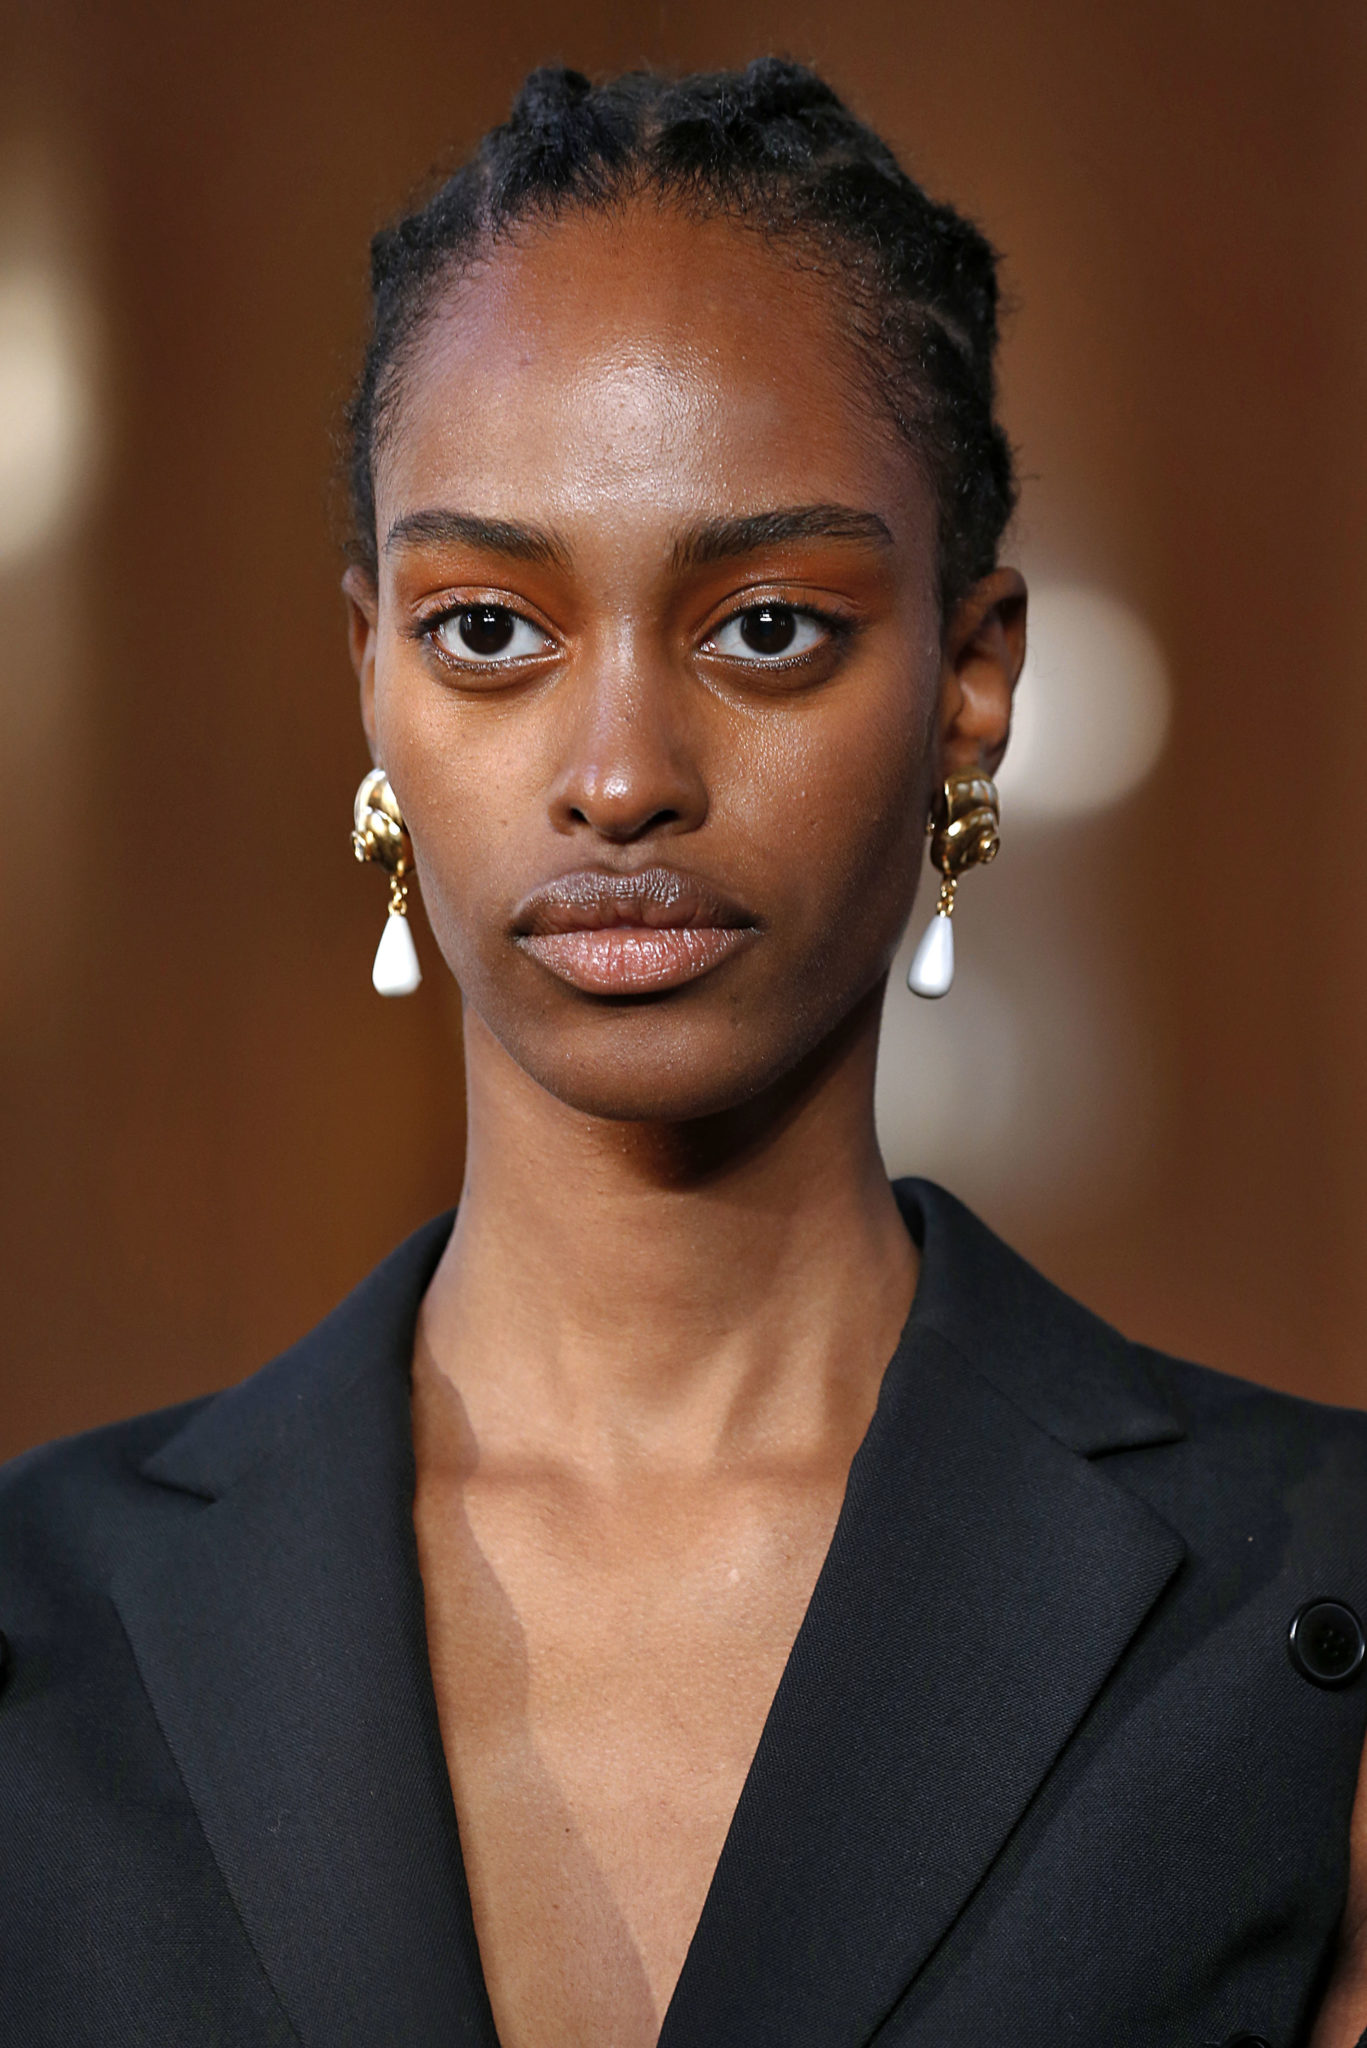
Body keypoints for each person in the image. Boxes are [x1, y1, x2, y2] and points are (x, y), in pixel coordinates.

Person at [3, 56, 1367, 2048]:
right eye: (490, 630)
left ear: (971, 678)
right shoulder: (42, 1625)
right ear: (371, 675)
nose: (622, 773)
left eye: (767, 625)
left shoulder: (1304, 1600)